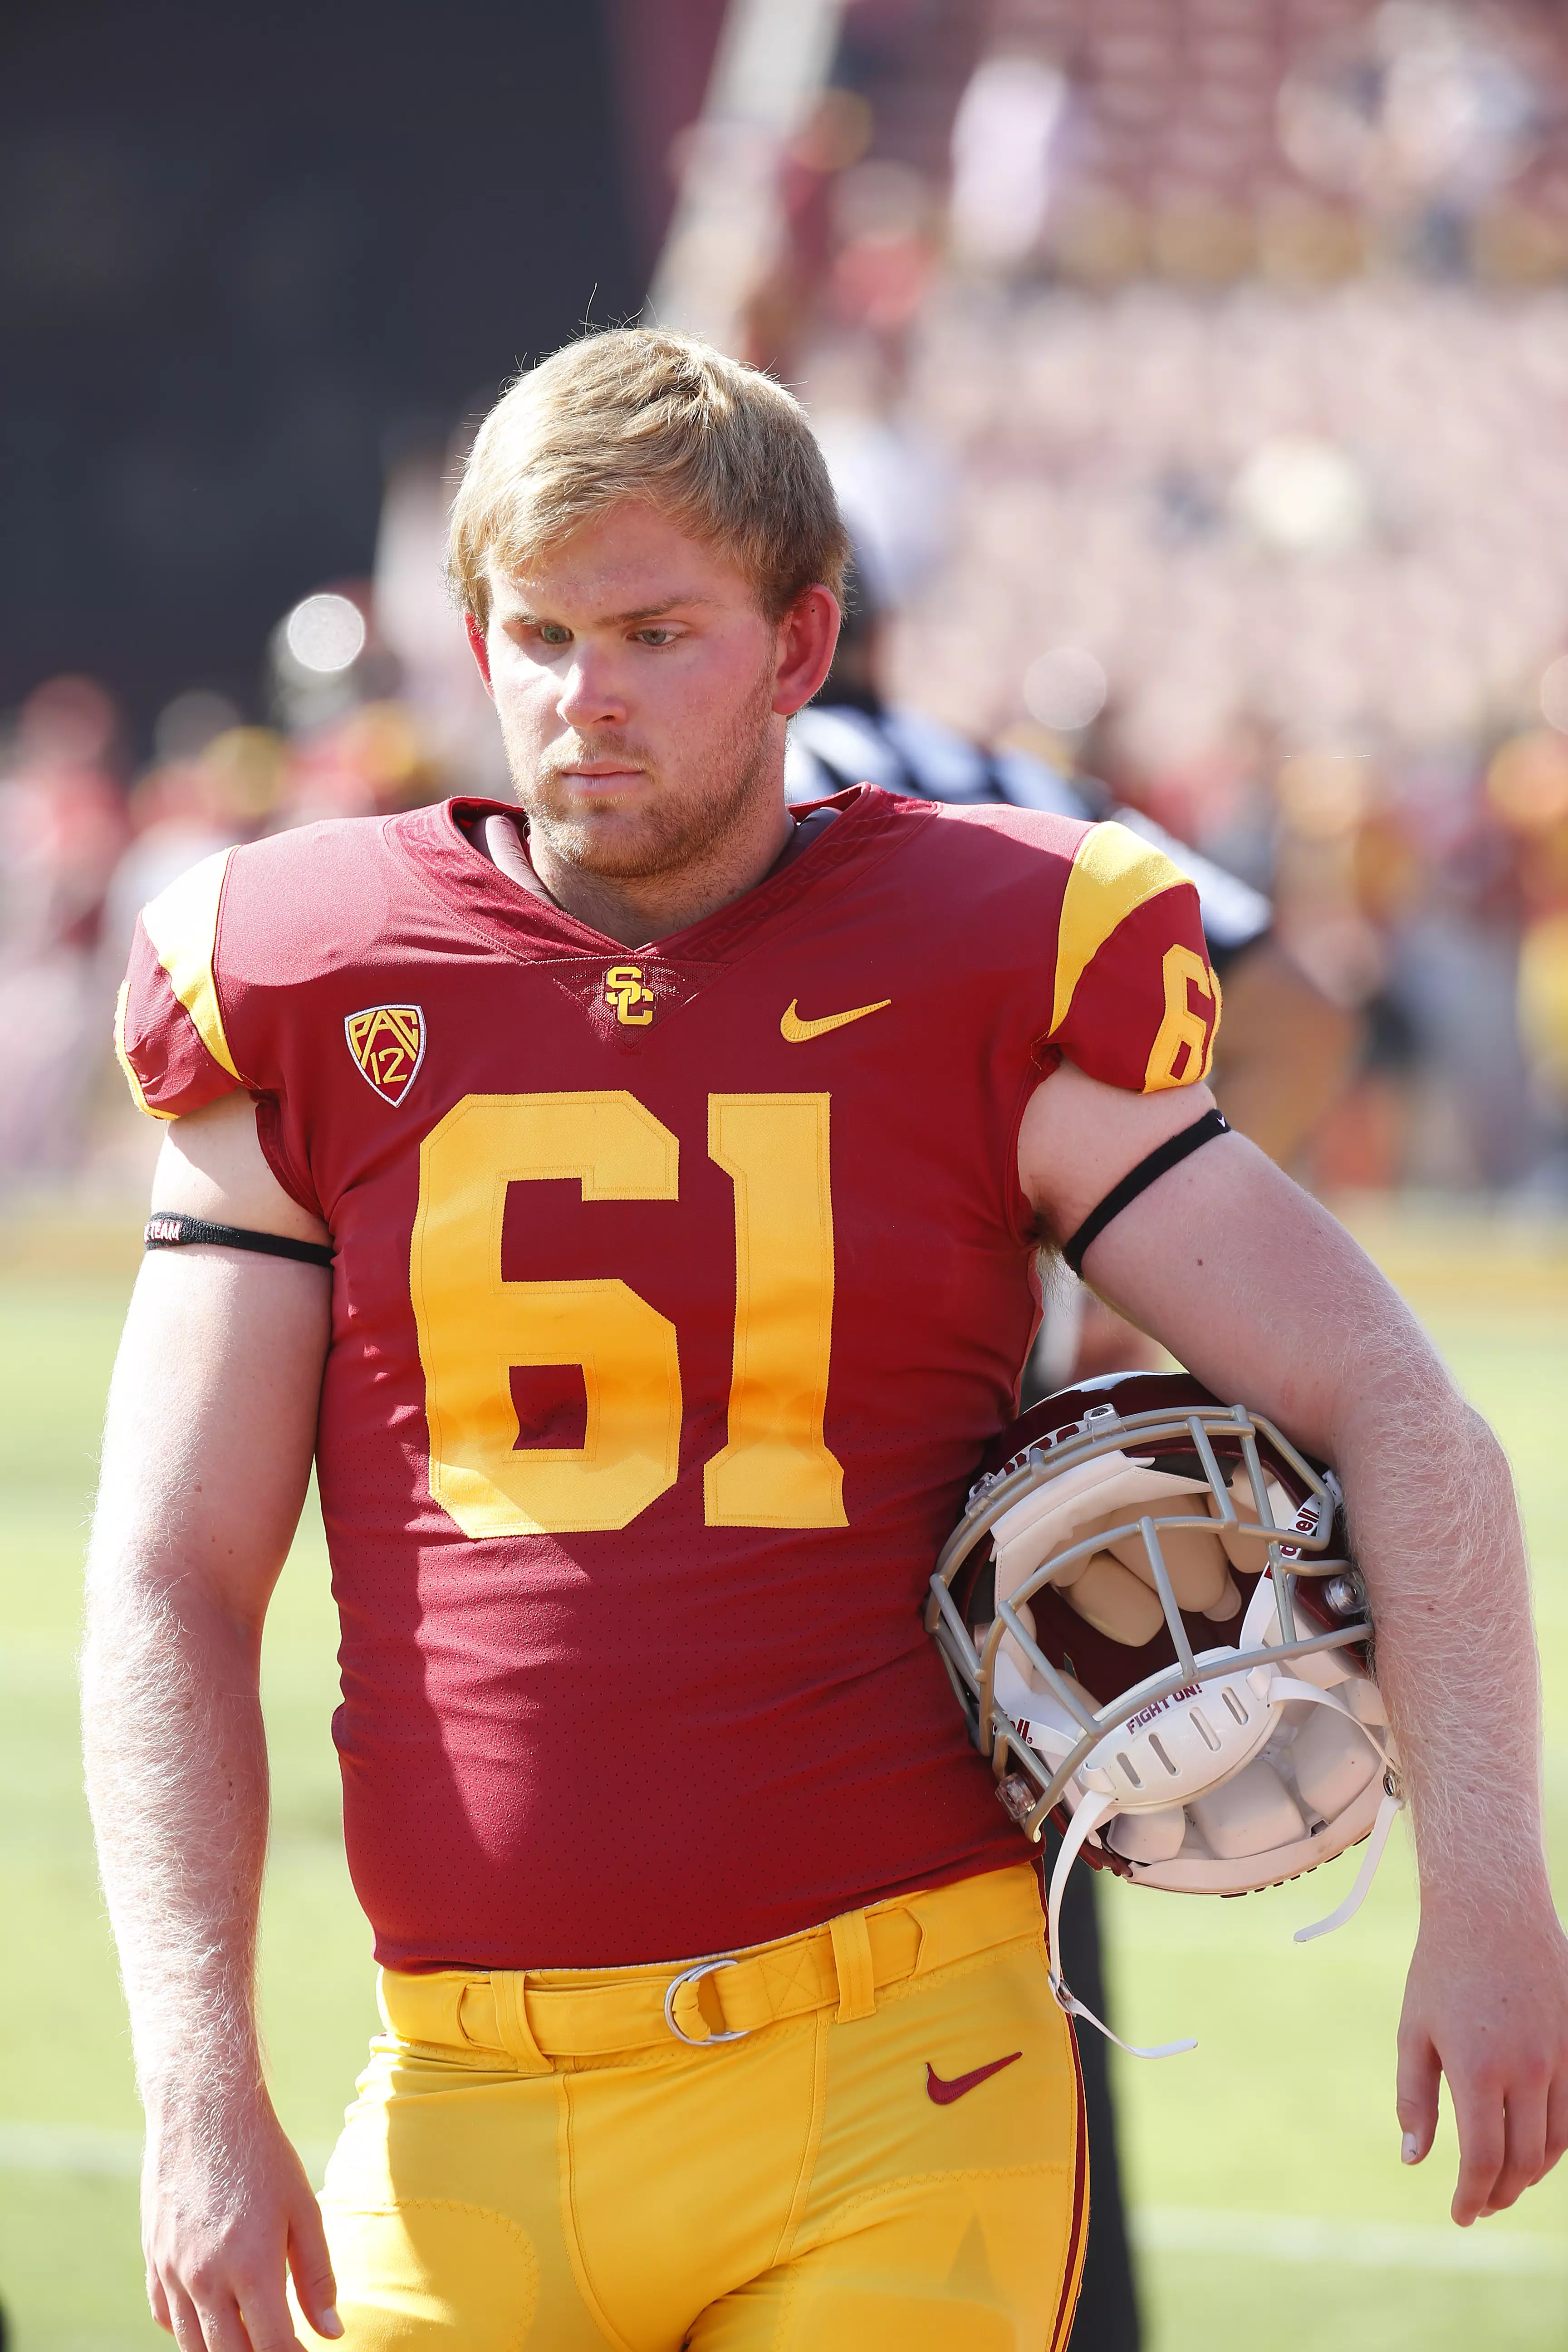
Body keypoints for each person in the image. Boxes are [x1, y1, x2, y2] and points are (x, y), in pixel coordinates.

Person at [83, 328, 1566, 2352]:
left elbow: (1404, 1410)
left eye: (654, 633)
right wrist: (193, 2077)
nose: (580, 697)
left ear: (800, 647)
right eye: (535, 631)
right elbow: (171, 1573)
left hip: (903, 2072)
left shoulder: (990, 948)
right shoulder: (307, 971)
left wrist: (1489, 1897)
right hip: (463, 2086)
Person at [791, 557, 1358, 2350]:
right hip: (996, 1486)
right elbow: (1304, 1006)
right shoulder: (1010, 787)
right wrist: (1115, 1244)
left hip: (717, 1492)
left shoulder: (696, 793)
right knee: (1018, 1993)